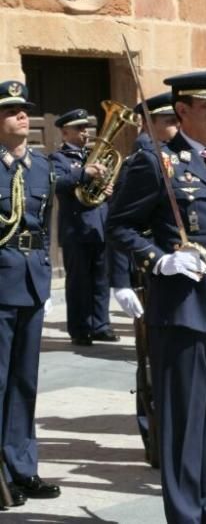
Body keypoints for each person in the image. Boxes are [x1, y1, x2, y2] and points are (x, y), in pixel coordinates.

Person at [107, 70, 206, 523]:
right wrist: (159, 260)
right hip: (185, 313)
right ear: (181, 111)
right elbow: (118, 226)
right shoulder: (157, 162)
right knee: (183, 426)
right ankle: (184, 515)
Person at [106, 91, 178, 465]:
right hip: (146, 274)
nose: (174, 125)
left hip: (176, 274)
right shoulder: (141, 161)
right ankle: (154, 436)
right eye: (166, 119)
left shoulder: (180, 158)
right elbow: (119, 225)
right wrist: (119, 281)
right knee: (150, 362)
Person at [0, 80, 61, 506]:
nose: (23, 115)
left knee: (24, 382)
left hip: (32, 282)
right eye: (11, 111)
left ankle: (22, 467)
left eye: (25, 110)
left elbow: (46, 223)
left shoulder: (40, 167)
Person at [50, 108, 118, 346]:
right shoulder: (58, 159)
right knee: (78, 282)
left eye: (86, 127)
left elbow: (103, 188)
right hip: (76, 230)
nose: (85, 132)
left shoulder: (94, 156)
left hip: (98, 227)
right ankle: (79, 329)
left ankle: (101, 325)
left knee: (101, 280)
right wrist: (84, 173)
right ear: (65, 132)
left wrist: (108, 191)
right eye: (79, 128)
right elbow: (57, 184)